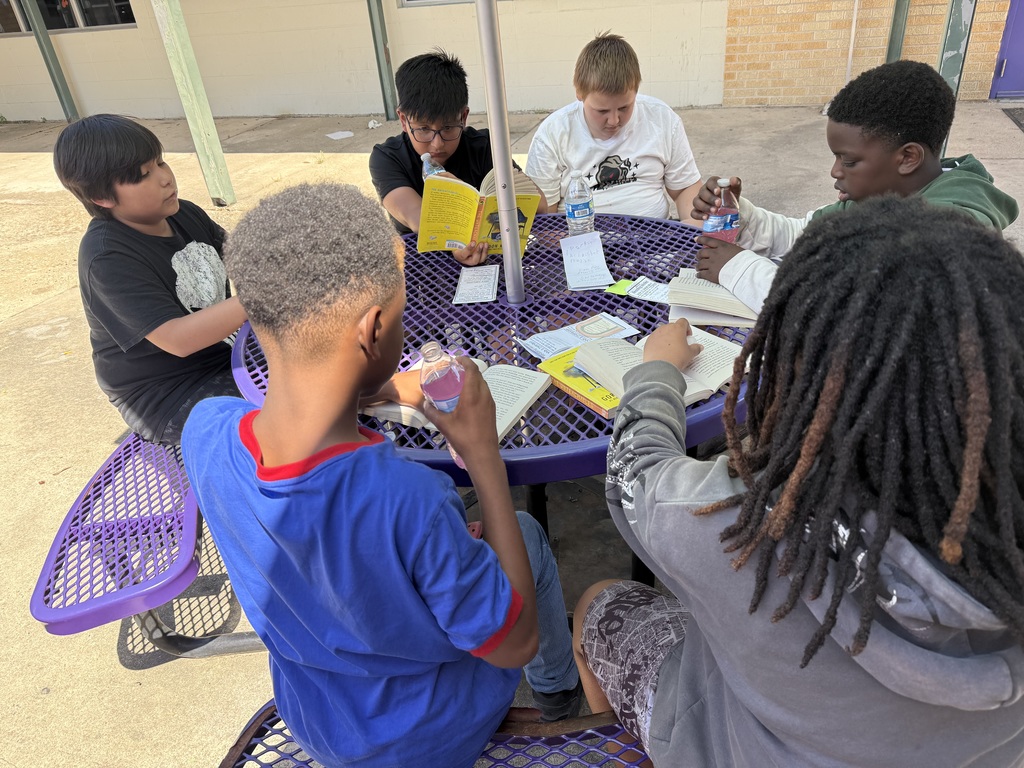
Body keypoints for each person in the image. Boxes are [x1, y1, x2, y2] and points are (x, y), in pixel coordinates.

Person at [573, 196, 1024, 767]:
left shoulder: (734, 528)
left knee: (599, 603)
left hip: (733, 745)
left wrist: (654, 373)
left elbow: (636, 473)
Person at [181, 183, 580, 768]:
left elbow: (310, 477)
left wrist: (368, 391)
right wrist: (482, 454)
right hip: (426, 735)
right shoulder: (410, 500)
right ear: (372, 330)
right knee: (523, 532)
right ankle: (560, 698)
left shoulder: (205, 429)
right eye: (401, 311)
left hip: (317, 716)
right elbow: (516, 642)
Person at [692, 59, 1019, 313]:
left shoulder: (950, 235)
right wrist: (742, 214)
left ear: (907, 158)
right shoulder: (875, 199)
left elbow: (847, 307)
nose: (835, 171)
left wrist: (739, 269)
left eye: (848, 161)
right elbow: (804, 236)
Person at [53, 114, 247, 446]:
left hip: (223, 354)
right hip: (167, 391)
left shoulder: (184, 213)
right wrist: (263, 294)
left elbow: (243, 255)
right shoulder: (107, 257)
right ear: (101, 197)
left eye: (160, 162)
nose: (165, 179)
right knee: (279, 424)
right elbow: (179, 339)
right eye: (144, 174)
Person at [369, 49, 549, 266]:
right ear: (403, 120)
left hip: (492, 265)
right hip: (422, 271)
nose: (437, 143)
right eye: (424, 129)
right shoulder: (387, 158)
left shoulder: (484, 147)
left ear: (463, 117)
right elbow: (419, 220)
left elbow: (539, 204)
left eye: (448, 128)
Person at [525, 32, 703, 223]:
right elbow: (544, 218)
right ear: (579, 93)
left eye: (625, 108)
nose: (614, 120)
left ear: (636, 90)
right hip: (580, 243)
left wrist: (693, 231)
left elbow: (685, 188)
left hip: (654, 241)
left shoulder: (661, 119)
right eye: (601, 111)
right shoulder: (553, 133)